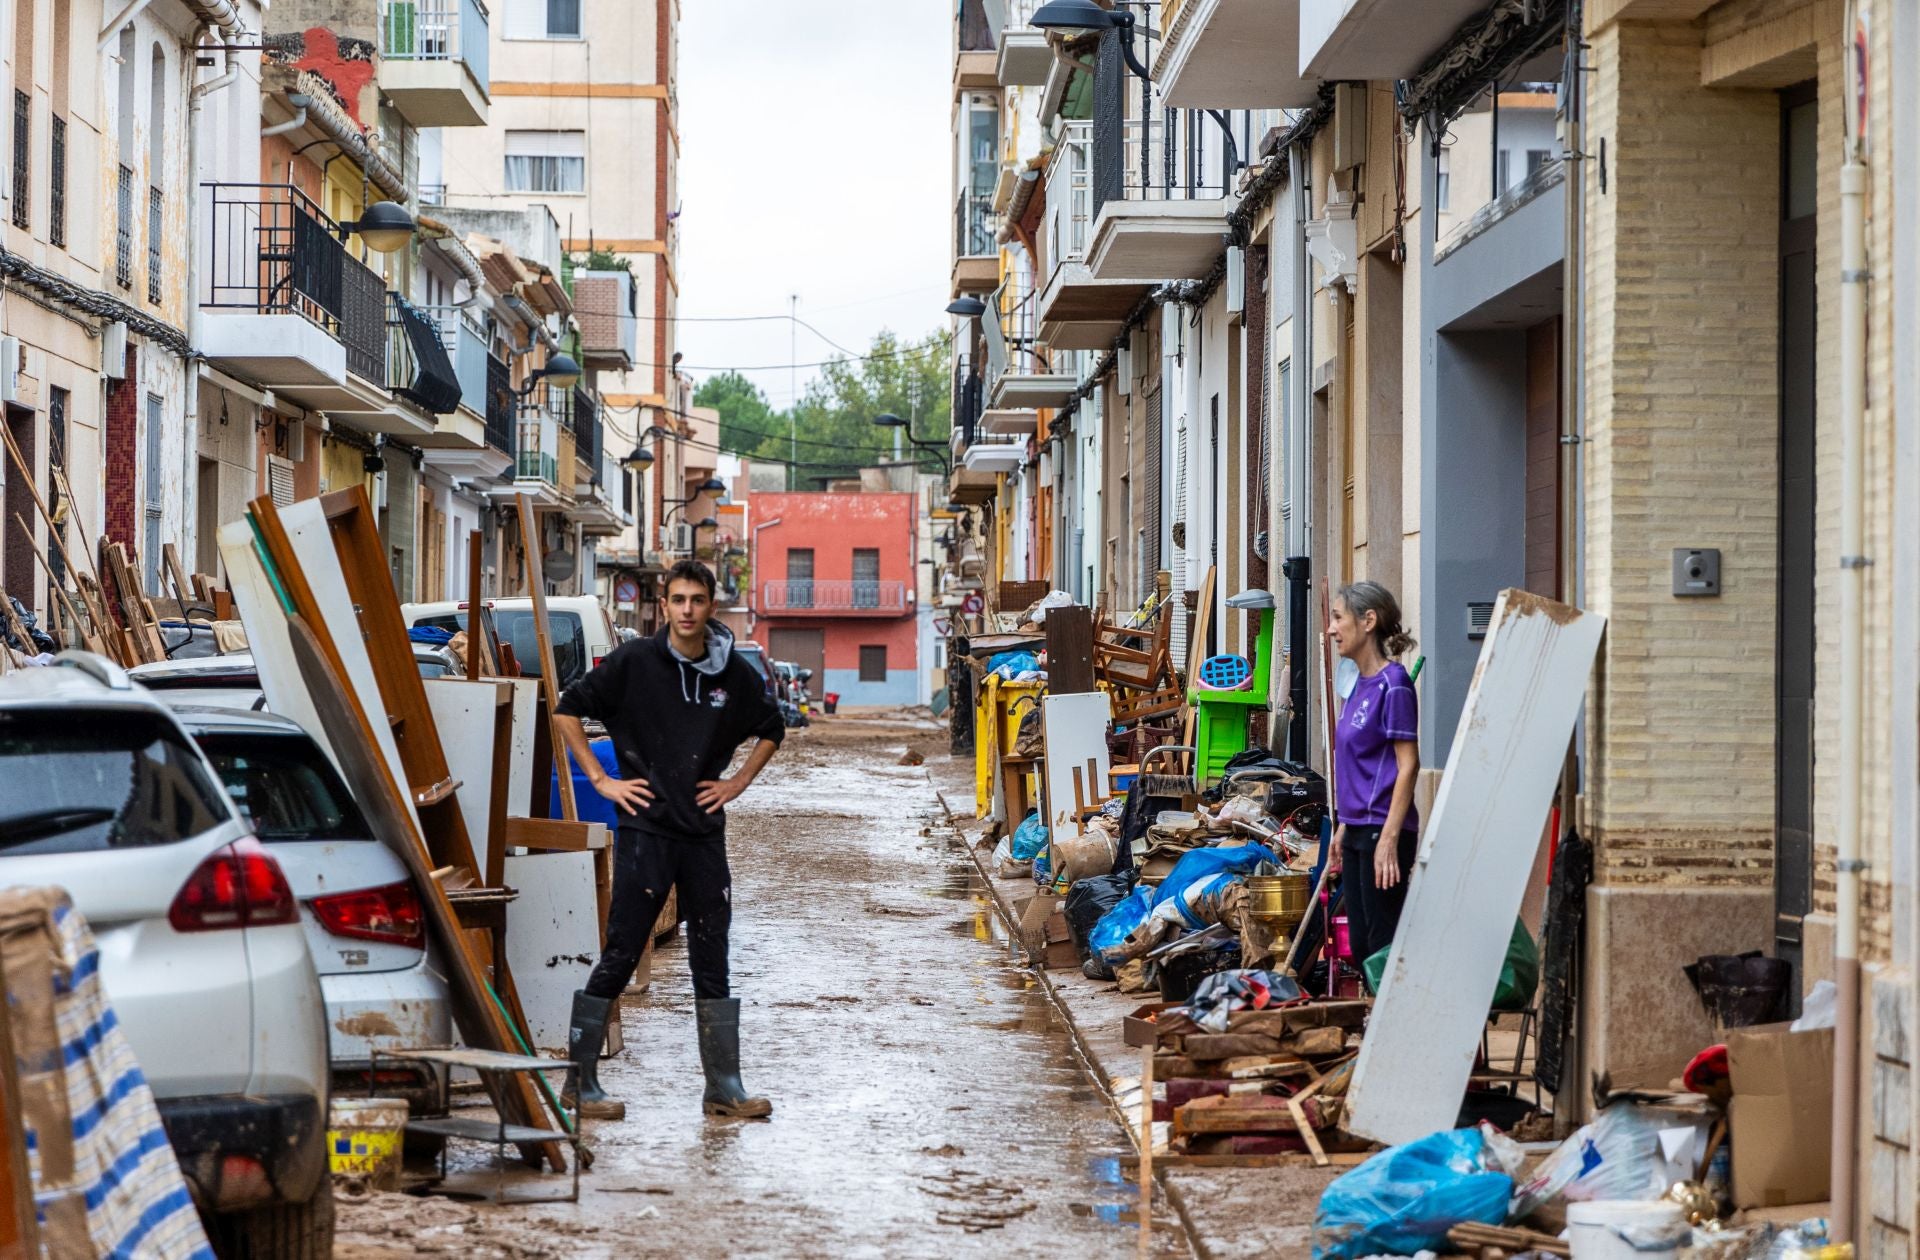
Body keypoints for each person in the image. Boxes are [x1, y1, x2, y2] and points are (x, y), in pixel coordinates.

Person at [552, 559, 785, 1120]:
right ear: (665, 606)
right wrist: (604, 780)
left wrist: (736, 783)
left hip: (703, 835)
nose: (686, 610)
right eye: (677, 600)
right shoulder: (635, 663)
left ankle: (723, 1087)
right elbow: (566, 711)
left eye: (697, 600)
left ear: (710, 606)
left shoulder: (733, 674)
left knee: (713, 953)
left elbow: (772, 728)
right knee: (622, 950)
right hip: (646, 831)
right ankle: (579, 1084)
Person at [1326, 581, 1421, 968]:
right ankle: (1373, 1022)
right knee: (1361, 945)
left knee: (1382, 946)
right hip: (1357, 829)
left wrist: (1389, 839)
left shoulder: (1394, 685)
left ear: (1368, 621)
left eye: (1337, 617)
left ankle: (1395, 1025)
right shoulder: (1356, 686)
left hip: (1384, 831)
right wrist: (1344, 826)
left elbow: (1408, 765)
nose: (1331, 629)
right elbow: (1361, 764)